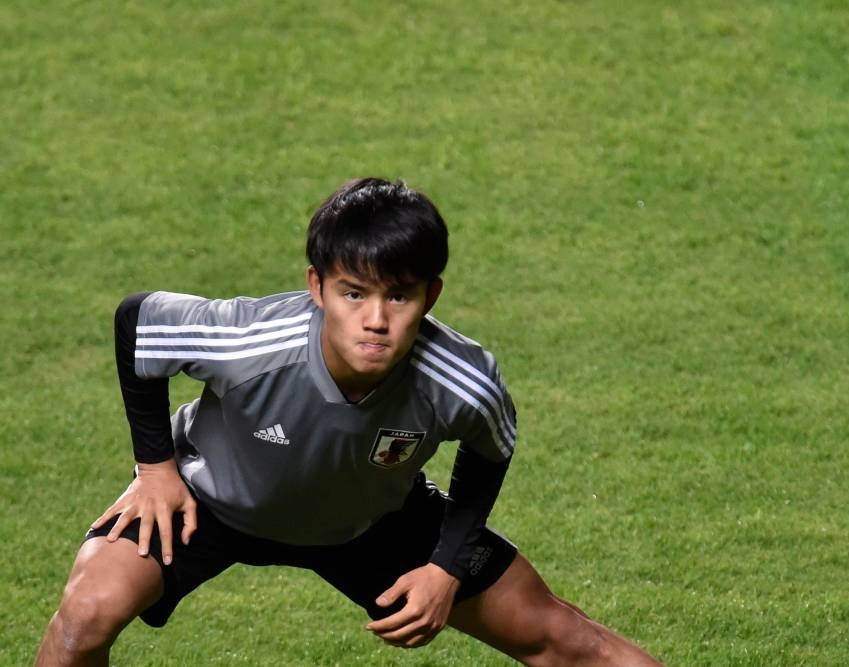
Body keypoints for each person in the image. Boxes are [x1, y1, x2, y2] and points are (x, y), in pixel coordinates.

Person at [35, 178, 663, 666]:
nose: (375, 320)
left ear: (431, 296)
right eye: (354, 293)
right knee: (86, 616)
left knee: (561, 639)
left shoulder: (461, 380)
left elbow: (490, 451)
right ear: (318, 286)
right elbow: (138, 322)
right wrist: (155, 469)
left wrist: (445, 566)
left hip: (372, 523)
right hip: (206, 503)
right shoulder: (251, 339)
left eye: (400, 295)